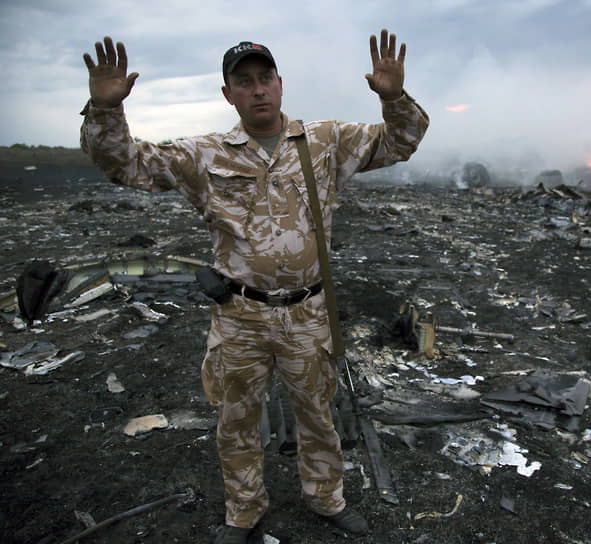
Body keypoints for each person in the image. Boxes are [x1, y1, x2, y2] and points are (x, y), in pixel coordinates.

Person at [80, 30, 429, 543]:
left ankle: (325, 497)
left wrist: (393, 97)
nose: (258, 89)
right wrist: (105, 109)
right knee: (236, 420)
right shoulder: (206, 155)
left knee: (318, 414)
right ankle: (243, 511)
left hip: (308, 314)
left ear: (281, 84)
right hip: (239, 317)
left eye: (265, 78)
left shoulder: (326, 142)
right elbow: (125, 165)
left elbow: (401, 141)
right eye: (244, 82)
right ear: (229, 95)